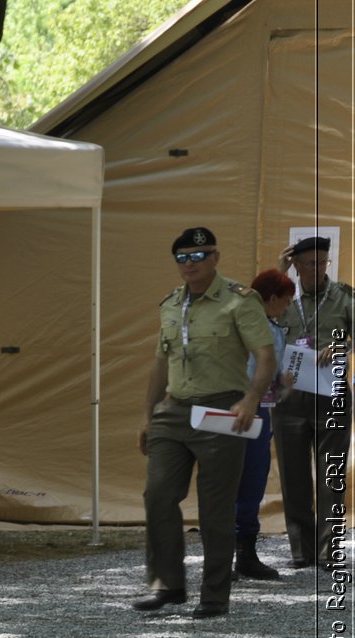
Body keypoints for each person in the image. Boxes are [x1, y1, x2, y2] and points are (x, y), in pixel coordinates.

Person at [135, 226, 276, 618]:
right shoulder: (170, 304)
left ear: (215, 257)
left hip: (222, 411)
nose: (190, 264)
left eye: (198, 256)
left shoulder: (239, 301)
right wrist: (148, 415)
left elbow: (265, 354)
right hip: (175, 409)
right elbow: (160, 362)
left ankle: (214, 597)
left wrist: (250, 401)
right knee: (158, 496)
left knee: (215, 508)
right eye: (182, 258)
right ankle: (168, 585)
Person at [274, 235, 354, 570]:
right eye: (311, 263)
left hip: (331, 391)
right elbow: (257, 322)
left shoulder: (344, 296)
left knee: (330, 473)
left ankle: (328, 549)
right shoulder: (283, 298)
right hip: (290, 394)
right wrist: (278, 275)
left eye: (323, 262)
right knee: (292, 475)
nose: (318, 269)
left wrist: (343, 346)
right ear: (296, 265)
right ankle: (301, 549)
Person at [233, 269, 296, 581]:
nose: (285, 308)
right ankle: (235, 553)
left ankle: (240, 552)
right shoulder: (252, 323)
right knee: (237, 480)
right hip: (244, 408)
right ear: (271, 299)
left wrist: (283, 385)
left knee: (249, 480)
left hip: (258, 408)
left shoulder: (268, 324)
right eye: (284, 302)